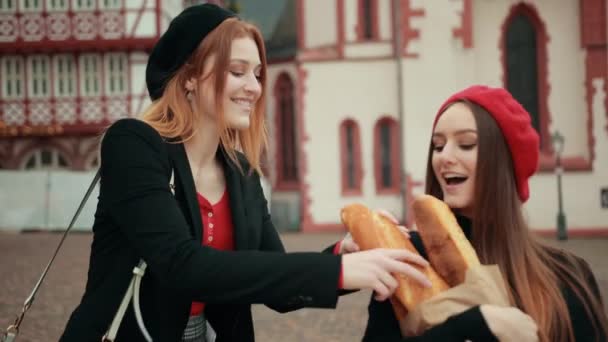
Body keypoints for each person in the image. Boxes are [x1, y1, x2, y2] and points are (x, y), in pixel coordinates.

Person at [59, 4, 431, 342]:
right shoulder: (134, 145)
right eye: (237, 72)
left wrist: (342, 254)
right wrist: (338, 271)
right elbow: (182, 264)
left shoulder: (242, 173)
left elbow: (278, 286)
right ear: (189, 76)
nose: (253, 88)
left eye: (256, 74)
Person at [341, 85, 608, 341]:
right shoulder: (408, 262)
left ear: (504, 161)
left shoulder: (569, 275)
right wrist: (469, 326)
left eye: (466, 144)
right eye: (438, 145)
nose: (444, 156)